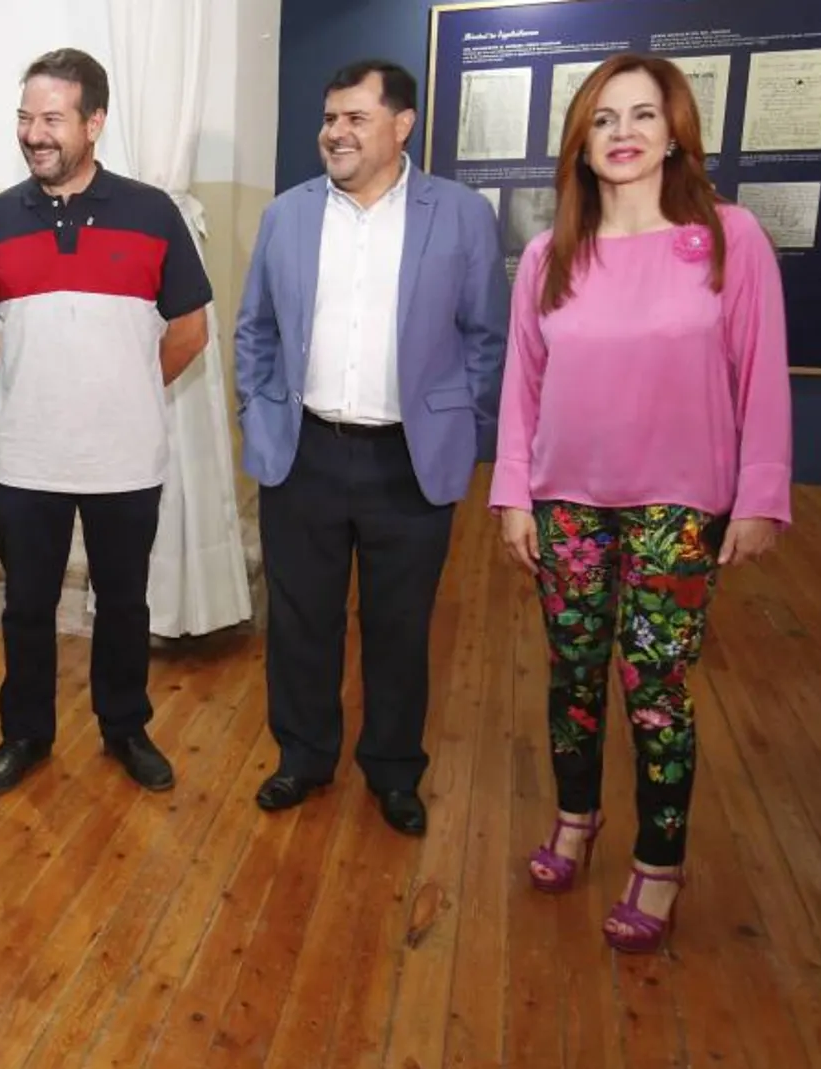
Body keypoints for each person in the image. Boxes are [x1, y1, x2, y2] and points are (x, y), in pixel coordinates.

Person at [491, 52, 791, 953]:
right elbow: (522, 387)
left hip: (680, 504)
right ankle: (576, 819)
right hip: (567, 503)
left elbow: (761, 378)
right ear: (581, 144)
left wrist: (759, 497)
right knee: (572, 674)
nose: (623, 134)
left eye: (642, 117)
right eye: (604, 119)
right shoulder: (550, 254)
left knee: (655, 689)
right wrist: (515, 494)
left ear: (674, 135)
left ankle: (660, 861)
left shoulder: (730, 239)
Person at [233, 60, 507, 833]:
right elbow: (254, 329)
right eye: (329, 117)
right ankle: (303, 755)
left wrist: (462, 427)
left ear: (402, 125)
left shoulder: (458, 216)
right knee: (300, 620)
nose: (335, 132)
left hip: (408, 460)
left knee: (399, 623)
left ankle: (392, 769)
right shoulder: (287, 216)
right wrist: (257, 411)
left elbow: (488, 337)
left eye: (355, 117)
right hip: (305, 452)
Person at [0, 47, 213, 796]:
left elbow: (189, 330)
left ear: (95, 122)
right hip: (26, 457)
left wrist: (120, 389)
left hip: (125, 457)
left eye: (53, 119)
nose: (35, 133)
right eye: (26, 118)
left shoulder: (152, 212)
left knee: (124, 603)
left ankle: (125, 727)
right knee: (26, 604)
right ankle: (26, 732)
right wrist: (44, 389)